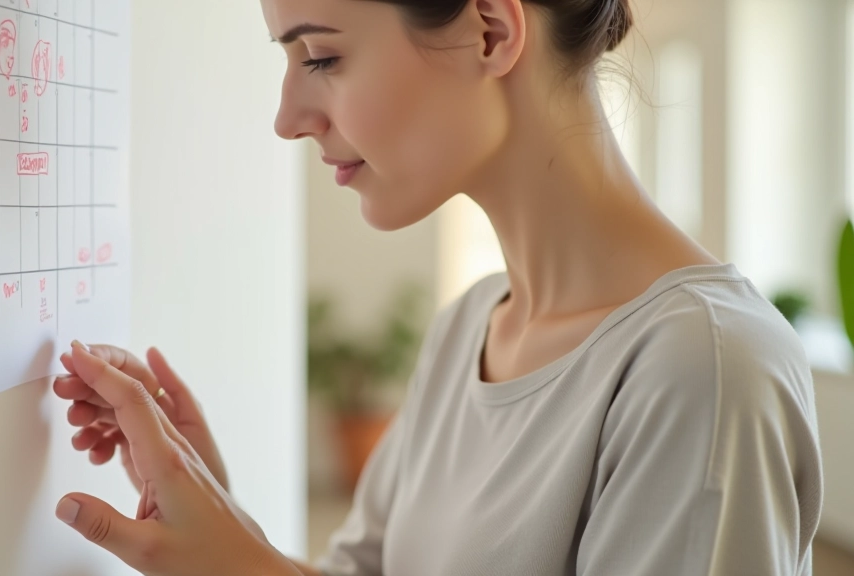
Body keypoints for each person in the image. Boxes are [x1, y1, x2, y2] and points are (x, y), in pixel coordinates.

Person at [52, 0, 824, 574]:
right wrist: (216, 511)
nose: (287, 118)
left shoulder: (704, 370)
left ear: (490, 29)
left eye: (319, 57)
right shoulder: (469, 329)